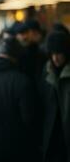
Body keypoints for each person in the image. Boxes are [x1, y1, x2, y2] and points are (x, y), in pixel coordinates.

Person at [40, 31, 70, 162]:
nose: (55, 58)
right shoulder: (46, 70)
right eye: (52, 54)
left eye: (59, 53)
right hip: (52, 131)